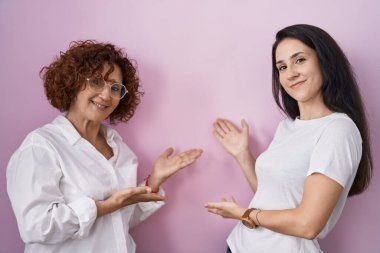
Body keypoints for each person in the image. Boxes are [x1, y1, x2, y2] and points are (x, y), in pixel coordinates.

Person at [7, 40, 202, 253]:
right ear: (73, 82)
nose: (106, 95)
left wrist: (155, 180)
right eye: (97, 82)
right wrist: (104, 206)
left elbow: (119, 222)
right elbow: (36, 226)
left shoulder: (120, 149)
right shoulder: (41, 147)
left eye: (115, 87)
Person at [205, 24, 373, 253]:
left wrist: (245, 214)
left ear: (325, 61)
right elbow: (274, 195)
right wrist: (243, 156)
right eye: (282, 67)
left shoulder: (338, 130)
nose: (290, 73)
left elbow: (308, 225)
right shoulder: (287, 127)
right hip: (238, 246)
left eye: (300, 60)